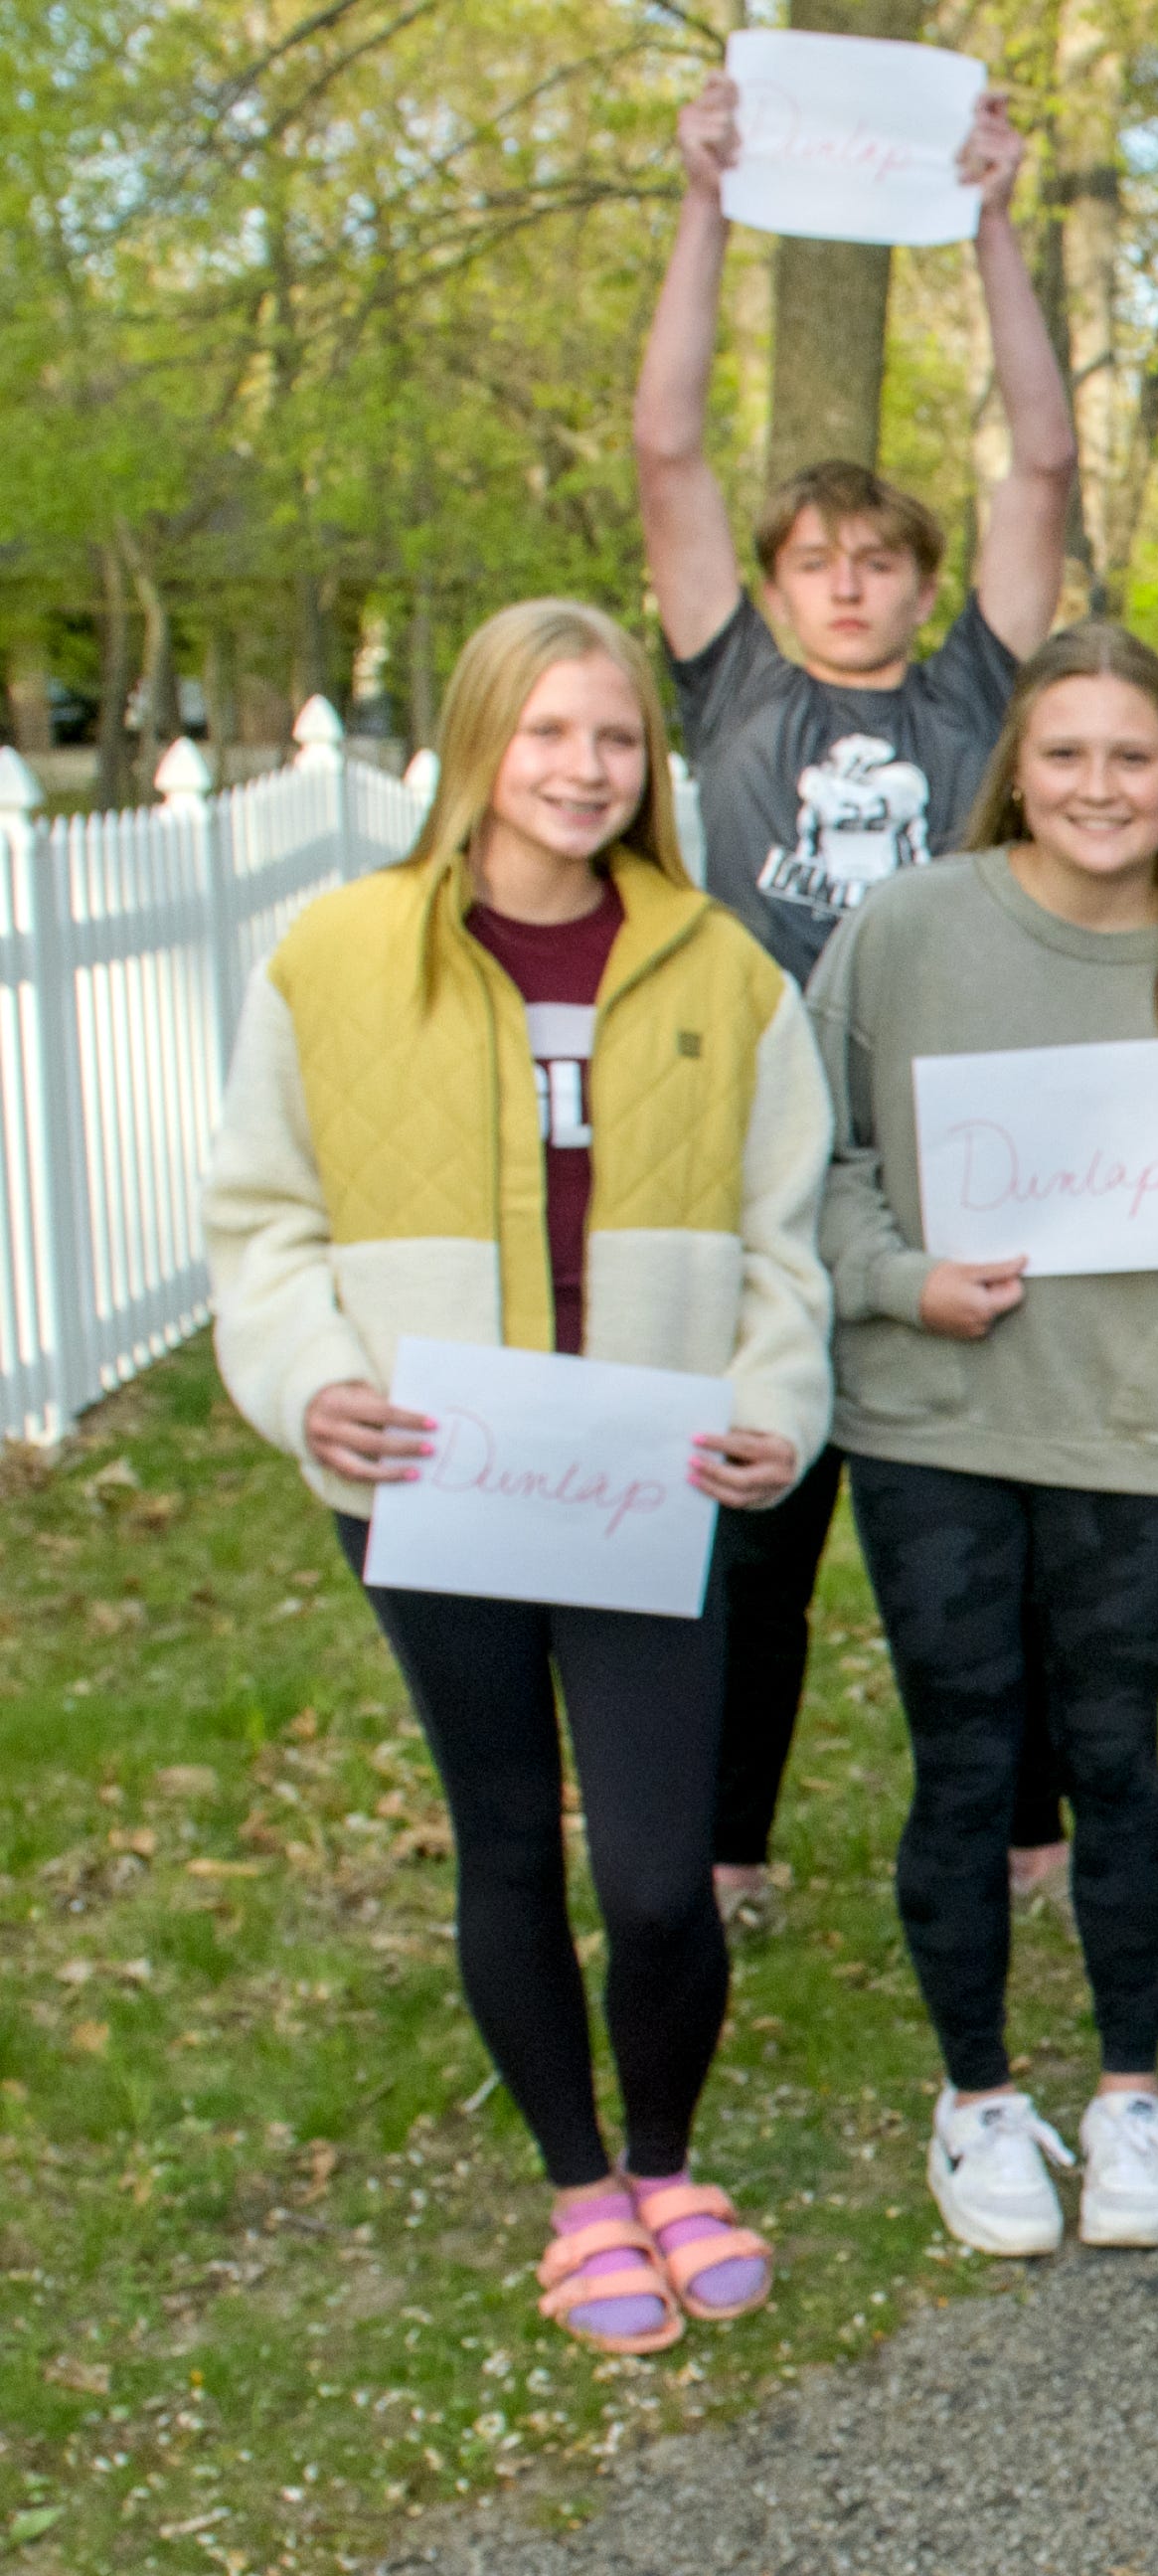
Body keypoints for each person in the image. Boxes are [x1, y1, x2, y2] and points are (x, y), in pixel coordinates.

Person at [205, 600, 829, 2356]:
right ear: (478, 743)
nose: (584, 768)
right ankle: (579, 2190)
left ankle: (667, 2155)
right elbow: (263, 1227)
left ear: (653, 763)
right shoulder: (332, 960)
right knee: (504, 1835)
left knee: (653, 1871)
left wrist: (776, 1394)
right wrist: (312, 1386)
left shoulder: (722, 970)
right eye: (550, 732)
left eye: (616, 738)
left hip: (648, 1480)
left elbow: (785, 1244)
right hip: (433, 1478)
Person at [635, 61, 1081, 1942]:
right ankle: (725, 1840)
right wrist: (705, 204)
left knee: (985, 1504)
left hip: (950, 1134)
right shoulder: (731, 686)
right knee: (756, 1505)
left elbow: (1041, 462)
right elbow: (666, 449)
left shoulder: (981, 687)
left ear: (916, 579)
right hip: (759, 1132)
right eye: (813, 557)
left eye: (873, 558)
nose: (841, 581)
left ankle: (1026, 1818)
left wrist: (989, 219)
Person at [813, 624, 1158, 2261]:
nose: (1100, 786)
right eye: (1068, 752)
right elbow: (819, 1158)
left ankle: (1128, 2091)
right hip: (933, 1415)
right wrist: (899, 1279)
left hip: (1120, 1425)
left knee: (1114, 1761)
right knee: (963, 1761)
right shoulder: (905, 929)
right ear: (1017, 763)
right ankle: (978, 2099)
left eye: (1134, 757)